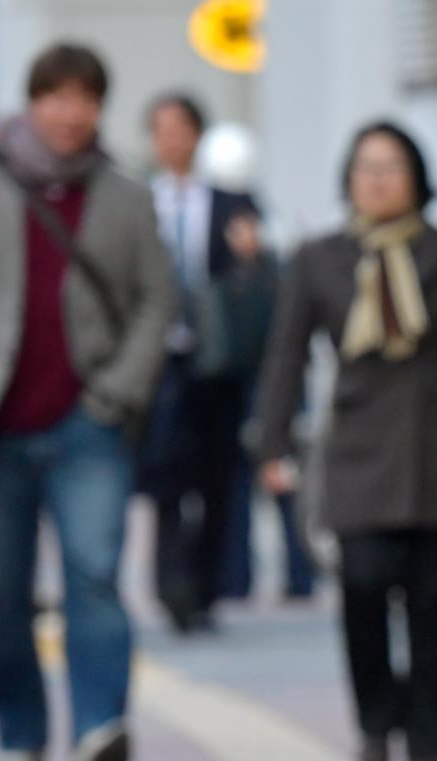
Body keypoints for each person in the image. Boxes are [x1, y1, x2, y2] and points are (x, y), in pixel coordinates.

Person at [0, 43, 173, 761]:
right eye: (55, 97)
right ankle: (19, 731)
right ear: (31, 104)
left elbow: (157, 301)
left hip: (88, 422)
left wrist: (120, 389)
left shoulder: (124, 195)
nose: (70, 112)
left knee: (93, 574)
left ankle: (99, 726)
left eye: (84, 98)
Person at [255, 122, 437, 761]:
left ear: (417, 179)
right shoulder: (319, 258)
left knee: (436, 601)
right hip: (358, 448)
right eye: (366, 167)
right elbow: (286, 354)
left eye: (392, 167)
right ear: (348, 179)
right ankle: (376, 717)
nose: (377, 179)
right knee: (363, 587)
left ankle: (427, 739)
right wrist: (272, 438)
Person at [142, 91, 266, 632]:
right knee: (165, 479)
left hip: (215, 364)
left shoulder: (233, 203)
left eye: (181, 128)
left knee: (216, 477)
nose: (172, 139)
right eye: (161, 129)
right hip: (159, 361)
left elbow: (262, 285)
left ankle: (210, 588)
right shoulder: (139, 203)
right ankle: (171, 588)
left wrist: (252, 257)